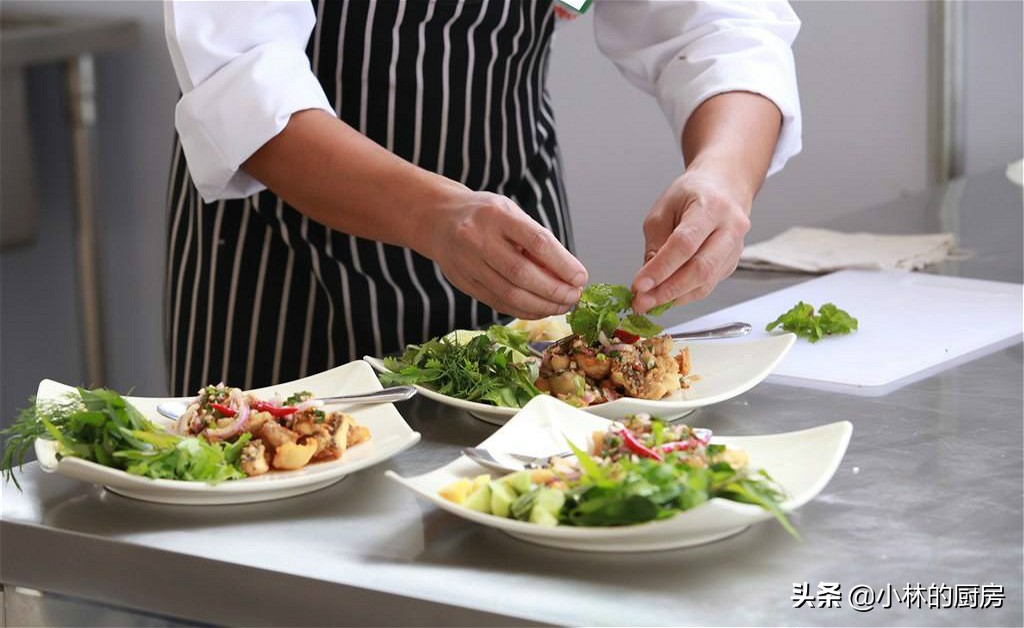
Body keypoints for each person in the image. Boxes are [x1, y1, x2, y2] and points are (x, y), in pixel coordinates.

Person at [163, 0, 801, 395]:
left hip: (518, 215)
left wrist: (723, 173)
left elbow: (717, 22)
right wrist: (434, 216)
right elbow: (240, 76)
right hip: (289, 258)